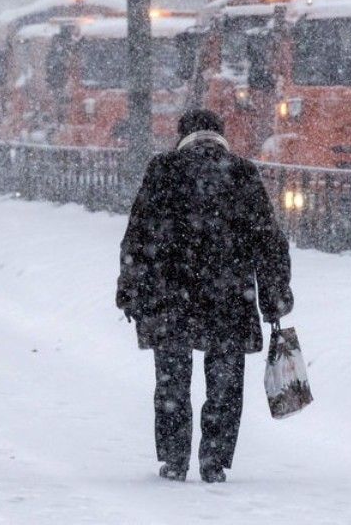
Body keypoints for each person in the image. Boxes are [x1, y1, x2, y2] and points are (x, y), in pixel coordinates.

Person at [116, 109, 293, 483]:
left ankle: (175, 460)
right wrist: (274, 297)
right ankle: (214, 463)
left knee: (172, 384)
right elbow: (269, 241)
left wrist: (130, 289)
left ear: (183, 136)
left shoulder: (163, 170)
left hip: (170, 297)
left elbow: (138, 235)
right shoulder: (242, 173)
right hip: (228, 297)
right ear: (220, 136)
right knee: (225, 387)